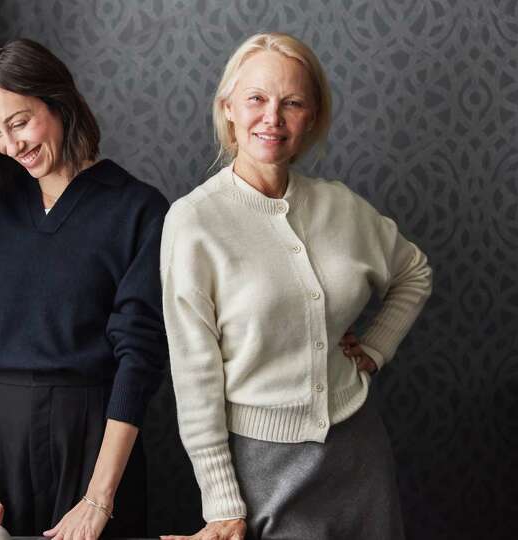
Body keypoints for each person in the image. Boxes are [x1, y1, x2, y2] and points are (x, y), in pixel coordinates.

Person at [160, 33, 433, 540]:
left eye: (292, 103)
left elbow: (413, 271)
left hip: (359, 453)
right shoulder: (194, 221)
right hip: (262, 466)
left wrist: (375, 347)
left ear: (311, 117)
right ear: (229, 110)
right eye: (256, 99)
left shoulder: (342, 207)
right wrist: (221, 503)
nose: (273, 117)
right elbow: (194, 373)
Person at [0, 38, 169, 539]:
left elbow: (141, 357)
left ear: (58, 103)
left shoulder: (139, 210)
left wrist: (99, 497)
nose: (10, 146)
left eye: (20, 122)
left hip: (96, 441)